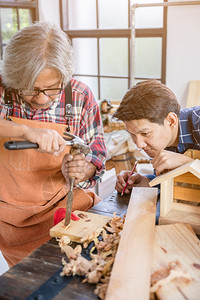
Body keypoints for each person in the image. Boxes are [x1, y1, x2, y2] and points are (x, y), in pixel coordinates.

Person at [0, 21, 107, 267]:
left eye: (51, 89)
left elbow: (97, 156)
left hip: (61, 210)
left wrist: (82, 170)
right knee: (31, 280)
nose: (41, 98)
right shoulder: (3, 90)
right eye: (31, 89)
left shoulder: (80, 96)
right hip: (10, 221)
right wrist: (24, 131)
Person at [113, 80, 200, 195]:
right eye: (132, 134)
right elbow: (171, 184)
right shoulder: (160, 142)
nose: (139, 145)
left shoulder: (198, 122)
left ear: (171, 121)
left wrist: (189, 164)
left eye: (145, 133)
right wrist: (144, 182)